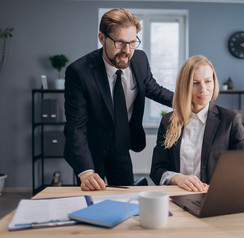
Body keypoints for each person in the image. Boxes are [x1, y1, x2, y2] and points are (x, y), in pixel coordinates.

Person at [64, 8, 173, 191]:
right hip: (91, 150)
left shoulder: (139, 60)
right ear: (101, 38)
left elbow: (154, 90)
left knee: (126, 199)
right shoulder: (79, 72)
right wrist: (86, 172)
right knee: (91, 202)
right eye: (120, 43)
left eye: (132, 42)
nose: (127, 51)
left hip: (122, 147)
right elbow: (76, 125)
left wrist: (188, 101)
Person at [150, 55, 244, 192]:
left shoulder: (230, 120)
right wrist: (177, 178)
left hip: (215, 198)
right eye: (195, 83)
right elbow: (157, 170)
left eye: (208, 81)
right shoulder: (168, 121)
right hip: (176, 197)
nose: (203, 89)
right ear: (184, 86)